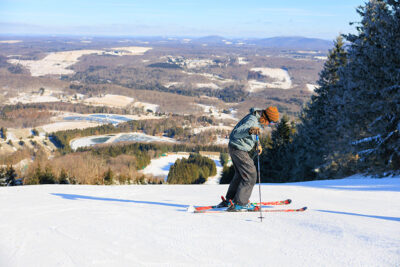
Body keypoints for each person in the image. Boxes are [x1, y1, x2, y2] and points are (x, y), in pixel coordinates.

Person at [218, 106, 279, 212]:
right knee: (251, 175)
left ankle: (230, 200)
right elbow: (237, 133)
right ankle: (240, 203)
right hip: (238, 149)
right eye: (271, 122)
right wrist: (250, 131)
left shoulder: (258, 118)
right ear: (266, 117)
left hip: (236, 147)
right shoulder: (252, 120)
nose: (270, 124)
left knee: (241, 174)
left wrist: (258, 144)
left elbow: (254, 133)